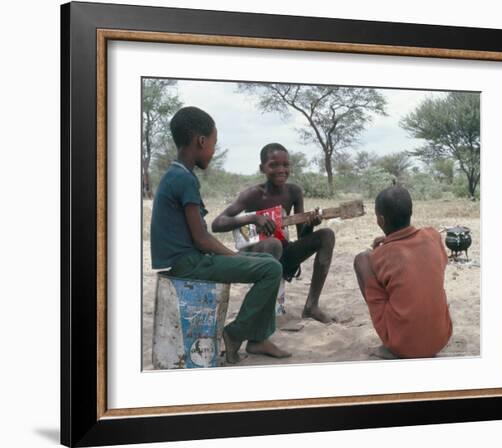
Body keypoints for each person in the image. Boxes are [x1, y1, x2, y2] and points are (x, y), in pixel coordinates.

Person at [150, 107, 291, 363]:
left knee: (270, 264)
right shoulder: (184, 179)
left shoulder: (177, 174)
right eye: (213, 144)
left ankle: (258, 339)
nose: (214, 151)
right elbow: (201, 238)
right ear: (201, 141)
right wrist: (234, 255)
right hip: (189, 263)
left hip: (189, 259)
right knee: (270, 270)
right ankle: (236, 334)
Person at [211, 143, 335, 323]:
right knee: (273, 244)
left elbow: (303, 237)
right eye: (274, 165)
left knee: (327, 235)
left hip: (284, 253)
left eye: (285, 165)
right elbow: (217, 224)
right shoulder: (253, 194)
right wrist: (252, 219)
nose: (281, 170)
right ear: (262, 168)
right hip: (257, 257)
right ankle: (265, 313)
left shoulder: (294, 192)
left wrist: (310, 224)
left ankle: (311, 306)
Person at [353, 185, 452, 358]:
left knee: (361, 260)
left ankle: (390, 342)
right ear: (410, 212)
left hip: (403, 345)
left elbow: (377, 260)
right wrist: (391, 242)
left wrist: (378, 248)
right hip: (440, 339)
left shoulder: (380, 255)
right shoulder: (433, 236)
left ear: (381, 221)